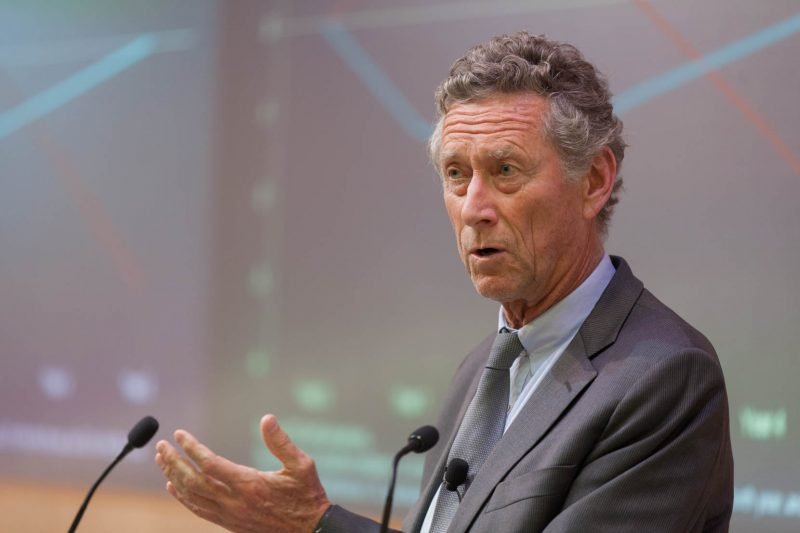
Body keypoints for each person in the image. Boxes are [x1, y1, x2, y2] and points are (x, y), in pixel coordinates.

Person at [155, 32, 733, 532]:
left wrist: (317, 524)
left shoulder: (663, 377)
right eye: (457, 174)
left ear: (595, 180)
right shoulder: (485, 365)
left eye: (505, 170)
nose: (474, 208)